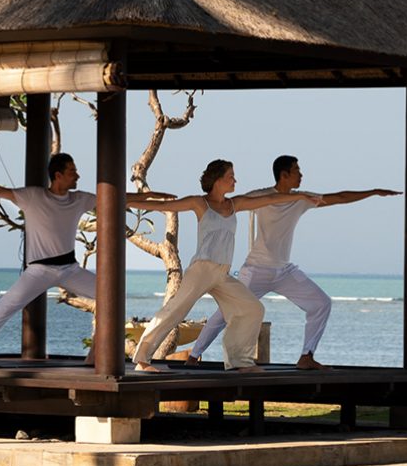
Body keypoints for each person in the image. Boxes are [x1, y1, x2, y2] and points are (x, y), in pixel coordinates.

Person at [0, 153, 171, 364]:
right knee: (5, 307)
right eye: (72, 171)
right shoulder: (32, 197)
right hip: (39, 271)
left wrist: (151, 197)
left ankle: (93, 355)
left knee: (110, 296)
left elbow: (119, 199)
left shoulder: (79, 199)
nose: (78, 175)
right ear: (58, 175)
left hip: (69, 269)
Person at [187, 155, 401, 370]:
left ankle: (306, 356)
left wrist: (372, 192)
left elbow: (340, 197)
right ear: (284, 175)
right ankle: (194, 356)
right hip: (256, 270)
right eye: (297, 171)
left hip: (284, 271)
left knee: (321, 304)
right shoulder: (261, 196)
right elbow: (227, 203)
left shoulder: (301, 199)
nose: (301, 175)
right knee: (225, 312)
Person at [126, 159, 322, 373]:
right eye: (231, 176)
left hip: (222, 273)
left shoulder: (233, 204)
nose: (235, 180)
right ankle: (142, 360)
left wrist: (300, 196)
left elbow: (270, 198)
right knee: (174, 312)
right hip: (201, 270)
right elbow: (163, 207)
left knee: (252, 309)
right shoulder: (200, 203)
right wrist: (124, 201)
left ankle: (239, 362)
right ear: (218, 180)